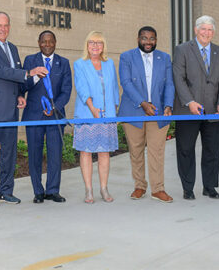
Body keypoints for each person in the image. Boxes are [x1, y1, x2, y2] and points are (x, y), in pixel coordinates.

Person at [0, 12, 48, 207]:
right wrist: (28, 72)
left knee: (9, 153)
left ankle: (6, 191)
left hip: (10, 110)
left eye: (6, 25)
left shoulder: (13, 49)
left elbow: (14, 78)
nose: (3, 28)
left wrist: (19, 95)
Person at [172, 15, 219, 200]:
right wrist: (190, 102)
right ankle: (188, 188)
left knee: (213, 150)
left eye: (210, 30)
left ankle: (210, 186)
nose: (206, 33)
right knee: (186, 149)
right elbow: (178, 78)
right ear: (196, 30)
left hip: (213, 110)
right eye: (203, 29)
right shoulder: (182, 50)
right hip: (187, 110)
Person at [117, 26, 175, 203]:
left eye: (152, 38)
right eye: (144, 38)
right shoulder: (127, 57)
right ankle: (140, 186)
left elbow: (170, 84)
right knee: (136, 150)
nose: (148, 42)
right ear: (138, 39)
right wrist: (142, 103)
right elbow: (126, 82)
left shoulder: (164, 58)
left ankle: (158, 189)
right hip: (134, 110)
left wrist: (168, 105)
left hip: (158, 112)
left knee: (156, 151)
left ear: (156, 40)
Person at [22, 30, 71, 204]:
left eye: (50, 41)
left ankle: (52, 190)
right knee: (34, 154)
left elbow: (66, 91)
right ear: (38, 42)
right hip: (34, 116)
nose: (47, 45)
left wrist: (54, 106)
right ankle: (38, 191)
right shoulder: (30, 61)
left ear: (55, 42)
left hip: (55, 116)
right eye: (44, 41)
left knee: (55, 154)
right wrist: (34, 76)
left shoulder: (63, 63)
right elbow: (23, 86)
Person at [73, 31, 119, 204]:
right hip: (87, 113)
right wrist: (92, 108)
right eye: (92, 42)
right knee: (85, 152)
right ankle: (89, 190)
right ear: (87, 45)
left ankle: (104, 189)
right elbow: (81, 87)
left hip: (107, 116)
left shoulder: (109, 63)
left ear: (103, 46)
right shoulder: (80, 64)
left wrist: (115, 107)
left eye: (99, 43)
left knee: (104, 152)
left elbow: (114, 87)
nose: (95, 46)